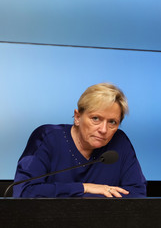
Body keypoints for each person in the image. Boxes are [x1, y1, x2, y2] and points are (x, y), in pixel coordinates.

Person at [13, 83, 147, 198]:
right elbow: (24, 192)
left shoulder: (119, 142)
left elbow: (137, 194)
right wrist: (84, 188)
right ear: (77, 117)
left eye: (112, 122)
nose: (104, 129)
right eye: (96, 118)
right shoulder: (47, 137)